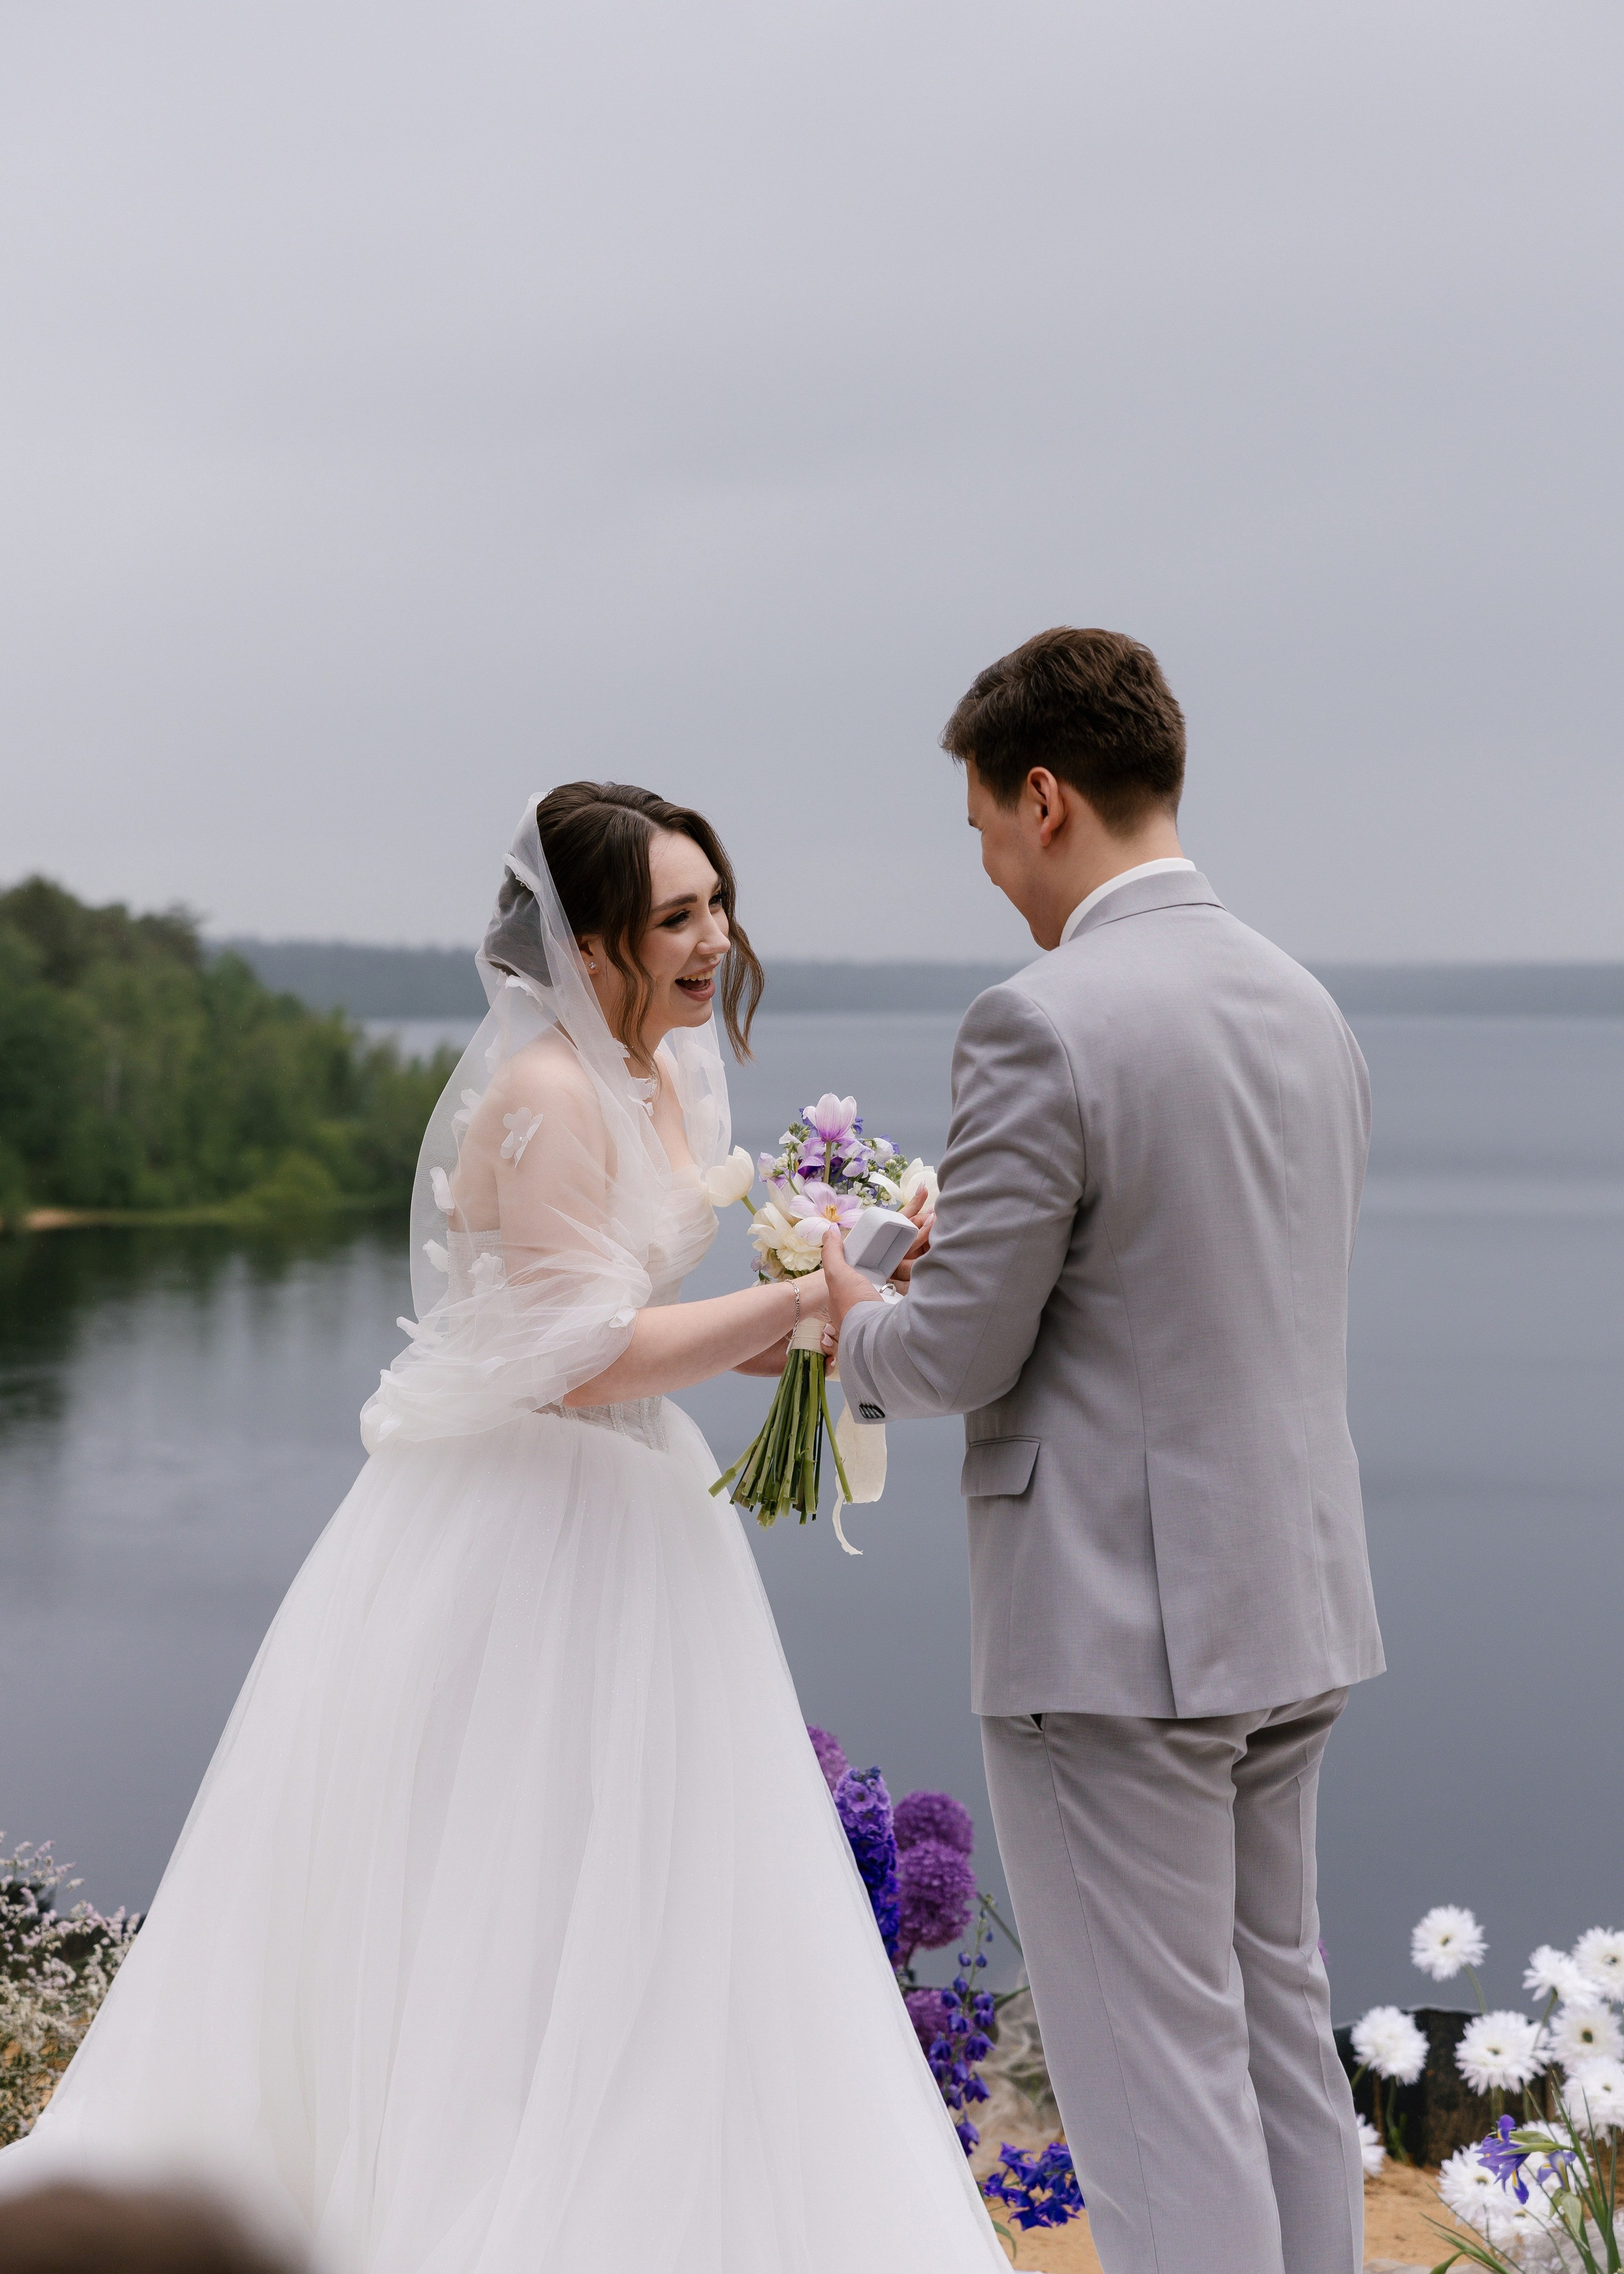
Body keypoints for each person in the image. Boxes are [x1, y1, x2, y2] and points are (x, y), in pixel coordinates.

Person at [1, 785, 1003, 2274]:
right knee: (503, 1875)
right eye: (675, 916)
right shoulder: (538, 1094)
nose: (712, 939)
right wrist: (798, 1301)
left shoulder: (668, 1083)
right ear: (587, 940)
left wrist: (839, 1291)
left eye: (714, 905)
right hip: (521, 1524)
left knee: (659, 1882)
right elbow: (580, 1357)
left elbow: (659, 1335)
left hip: (641, 1516)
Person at [822, 629, 1385, 2274]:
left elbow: (952, 1352)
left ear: (1045, 795)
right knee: (1280, 2032)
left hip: (1115, 1636)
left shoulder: (1039, 1024)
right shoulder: (1306, 1006)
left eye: (988, 827)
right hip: (1293, 1604)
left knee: (1152, 2089)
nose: (994, 868)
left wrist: (841, 1321)